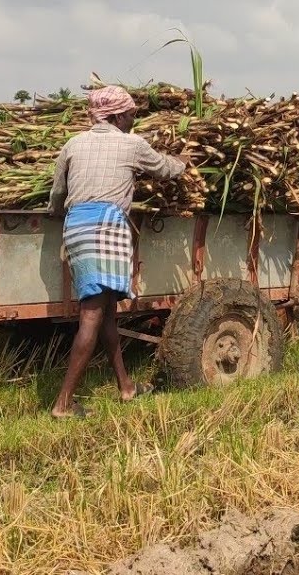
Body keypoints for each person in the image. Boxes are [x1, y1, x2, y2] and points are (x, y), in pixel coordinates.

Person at [46, 85, 189, 419]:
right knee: (92, 315)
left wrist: (56, 212)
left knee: (107, 311)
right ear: (118, 115)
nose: (133, 120)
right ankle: (63, 404)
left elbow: (57, 193)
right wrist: (183, 163)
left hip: (76, 227)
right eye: (131, 115)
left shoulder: (73, 144)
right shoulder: (131, 145)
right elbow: (165, 169)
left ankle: (126, 386)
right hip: (105, 228)